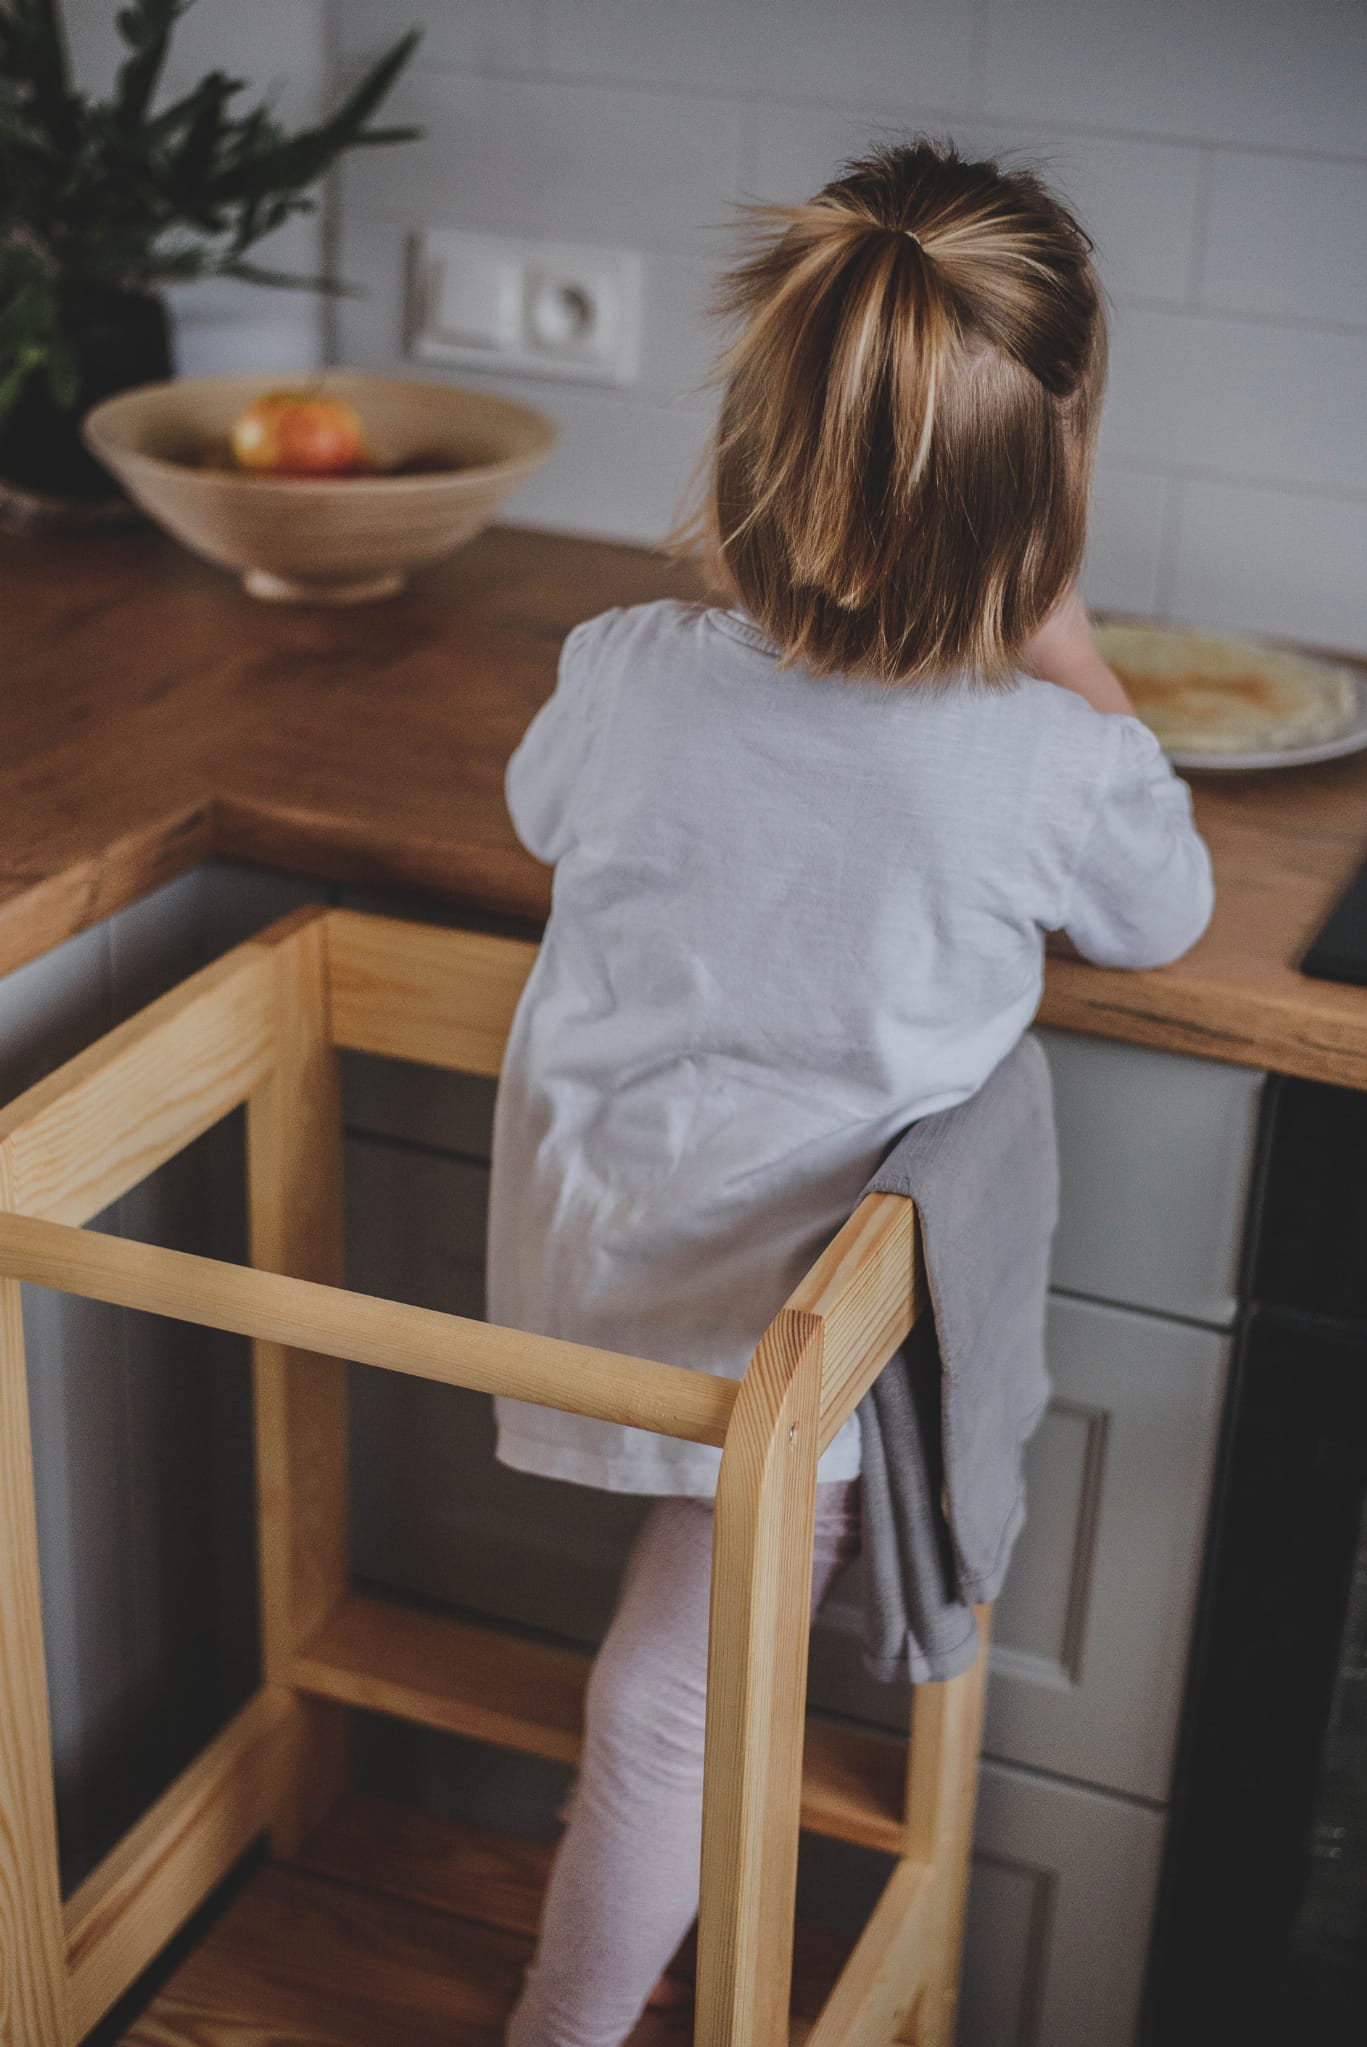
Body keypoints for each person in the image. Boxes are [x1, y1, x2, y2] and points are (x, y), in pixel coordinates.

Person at [486, 138, 1214, 2047]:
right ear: (1042, 489)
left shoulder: (629, 665)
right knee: (672, 1702)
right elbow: (1165, 913)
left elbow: (542, 811)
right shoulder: (1042, 763)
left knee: (662, 1659)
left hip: (600, 1257)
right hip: (787, 1332)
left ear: (755, 429)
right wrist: (1071, 652)